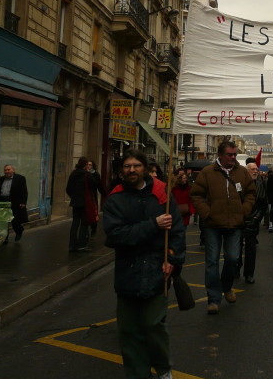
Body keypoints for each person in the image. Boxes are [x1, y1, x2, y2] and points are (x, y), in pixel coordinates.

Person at [103, 148, 185, 379]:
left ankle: (163, 368)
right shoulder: (115, 198)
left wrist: (173, 260)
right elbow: (116, 235)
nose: (131, 170)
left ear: (145, 168)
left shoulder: (162, 193)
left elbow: (177, 231)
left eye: (136, 166)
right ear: (121, 171)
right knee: (129, 330)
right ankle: (138, 373)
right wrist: (153, 225)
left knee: (153, 325)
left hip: (158, 269)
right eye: (127, 166)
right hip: (128, 270)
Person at [190, 141, 256, 314]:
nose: (233, 157)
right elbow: (196, 195)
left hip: (235, 223)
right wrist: (206, 213)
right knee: (211, 262)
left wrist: (244, 211)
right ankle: (213, 299)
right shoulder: (207, 172)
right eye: (229, 154)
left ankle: (226, 287)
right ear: (220, 155)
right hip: (213, 224)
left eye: (234, 154)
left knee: (233, 259)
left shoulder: (242, 172)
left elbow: (251, 193)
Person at [238, 161, 266, 284]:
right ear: (246, 171)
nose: (255, 171)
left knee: (251, 250)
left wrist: (257, 218)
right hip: (240, 220)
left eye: (257, 169)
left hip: (253, 221)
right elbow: (236, 201)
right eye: (253, 169)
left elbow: (264, 203)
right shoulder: (239, 184)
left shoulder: (261, 183)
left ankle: (249, 274)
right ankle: (235, 268)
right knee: (236, 248)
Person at [0, 164, 28, 244]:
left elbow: (24, 191)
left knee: (15, 221)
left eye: (8, 169)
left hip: (15, 202)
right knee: (3, 221)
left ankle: (19, 230)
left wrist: (23, 202)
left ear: (13, 170)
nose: (7, 171)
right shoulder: (1, 179)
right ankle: (4, 238)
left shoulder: (20, 178)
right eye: (5, 170)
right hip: (2, 202)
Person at [66, 157, 94, 252]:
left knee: (75, 223)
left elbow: (68, 189)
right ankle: (82, 245)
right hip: (85, 202)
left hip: (75, 202)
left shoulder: (73, 174)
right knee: (84, 223)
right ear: (85, 165)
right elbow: (92, 188)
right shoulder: (87, 175)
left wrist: (74, 196)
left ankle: (72, 244)